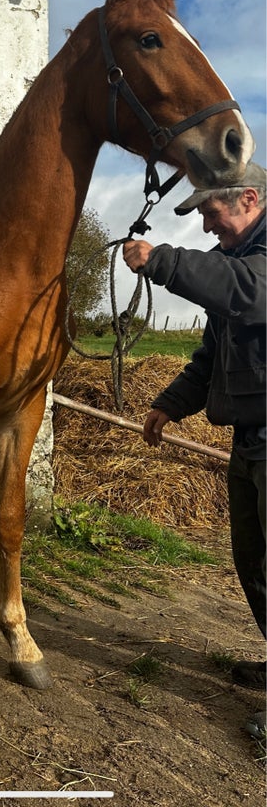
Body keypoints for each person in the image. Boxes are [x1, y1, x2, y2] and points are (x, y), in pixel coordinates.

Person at [123, 161, 266, 740]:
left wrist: (162, 261)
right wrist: (168, 404)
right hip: (251, 439)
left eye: (210, 212)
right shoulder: (234, 261)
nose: (206, 227)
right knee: (254, 565)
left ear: (249, 198)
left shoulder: (251, 267)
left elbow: (249, 291)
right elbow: (210, 357)